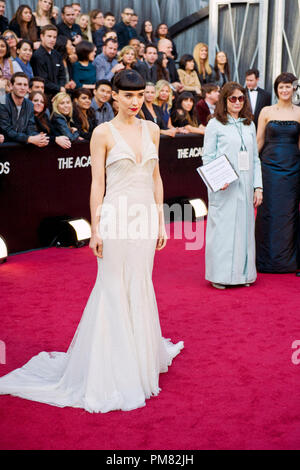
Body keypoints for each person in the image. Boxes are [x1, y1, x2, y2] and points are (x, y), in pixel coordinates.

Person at [0, 69, 183, 413]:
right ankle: (112, 365)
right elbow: (97, 184)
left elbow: (156, 177)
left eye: (140, 94)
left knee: (139, 283)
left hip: (144, 218)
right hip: (115, 217)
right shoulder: (102, 132)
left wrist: (161, 219)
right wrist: (96, 228)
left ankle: (139, 357)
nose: (134, 101)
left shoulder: (152, 129)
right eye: (128, 95)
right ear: (113, 95)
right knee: (112, 286)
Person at [202, 81, 263, 289]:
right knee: (223, 231)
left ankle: (244, 275)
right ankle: (220, 276)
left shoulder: (249, 124)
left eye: (241, 98)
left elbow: (255, 158)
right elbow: (207, 157)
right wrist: (217, 180)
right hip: (224, 186)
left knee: (245, 229)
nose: (237, 102)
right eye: (232, 98)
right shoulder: (215, 124)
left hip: (245, 186)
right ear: (225, 100)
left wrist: (258, 187)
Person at [255, 72, 300, 273]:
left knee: (289, 212)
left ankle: (288, 261)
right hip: (269, 168)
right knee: (268, 212)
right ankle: (266, 260)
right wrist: (251, 168)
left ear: (294, 89)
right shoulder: (266, 111)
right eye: (281, 87)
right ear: (276, 89)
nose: (284, 90)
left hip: (292, 168)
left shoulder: (299, 112)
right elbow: (259, 141)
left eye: (288, 86)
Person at [0, 72, 49, 146]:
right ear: (11, 86)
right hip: (5, 146)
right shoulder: (2, 101)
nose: (22, 88)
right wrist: (28, 139)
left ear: (28, 88)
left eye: (25, 85)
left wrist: (39, 138)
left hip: (21, 145)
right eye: (19, 84)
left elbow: (30, 128)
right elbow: (7, 130)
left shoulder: (29, 104)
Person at [31, 24, 66, 97]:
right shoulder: (37, 56)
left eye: (54, 37)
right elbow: (42, 80)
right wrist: (59, 88)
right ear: (42, 37)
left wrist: (61, 87)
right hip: (44, 95)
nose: (52, 40)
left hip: (59, 94)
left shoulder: (57, 55)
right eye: (49, 36)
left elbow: (62, 75)